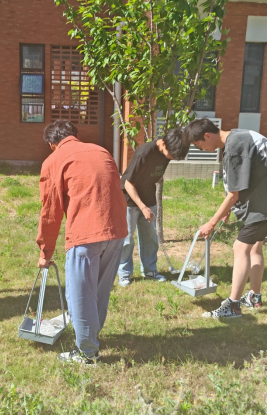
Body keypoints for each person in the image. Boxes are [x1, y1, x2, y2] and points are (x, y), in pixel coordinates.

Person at [182, 118, 267, 319]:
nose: (203, 150)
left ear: (207, 136)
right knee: (255, 247)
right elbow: (242, 185)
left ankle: (233, 306)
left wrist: (212, 222)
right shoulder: (237, 136)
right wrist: (229, 208)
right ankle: (254, 297)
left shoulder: (234, 147)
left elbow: (233, 194)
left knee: (240, 247)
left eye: (200, 146)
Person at [36, 120, 127, 365]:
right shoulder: (100, 150)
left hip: (86, 233)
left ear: (51, 144)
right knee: (99, 291)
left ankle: (87, 353)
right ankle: (91, 338)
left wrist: (46, 251)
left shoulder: (54, 161)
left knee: (81, 294)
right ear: (76, 135)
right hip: (117, 230)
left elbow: (50, 211)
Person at [118, 129, 189, 287]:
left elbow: (155, 177)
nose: (171, 158)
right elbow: (128, 183)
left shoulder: (168, 151)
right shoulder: (144, 153)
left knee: (150, 237)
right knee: (127, 238)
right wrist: (142, 207)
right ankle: (124, 273)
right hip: (129, 200)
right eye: (171, 154)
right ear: (163, 143)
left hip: (149, 199)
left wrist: (148, 204)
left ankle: (150, 270)